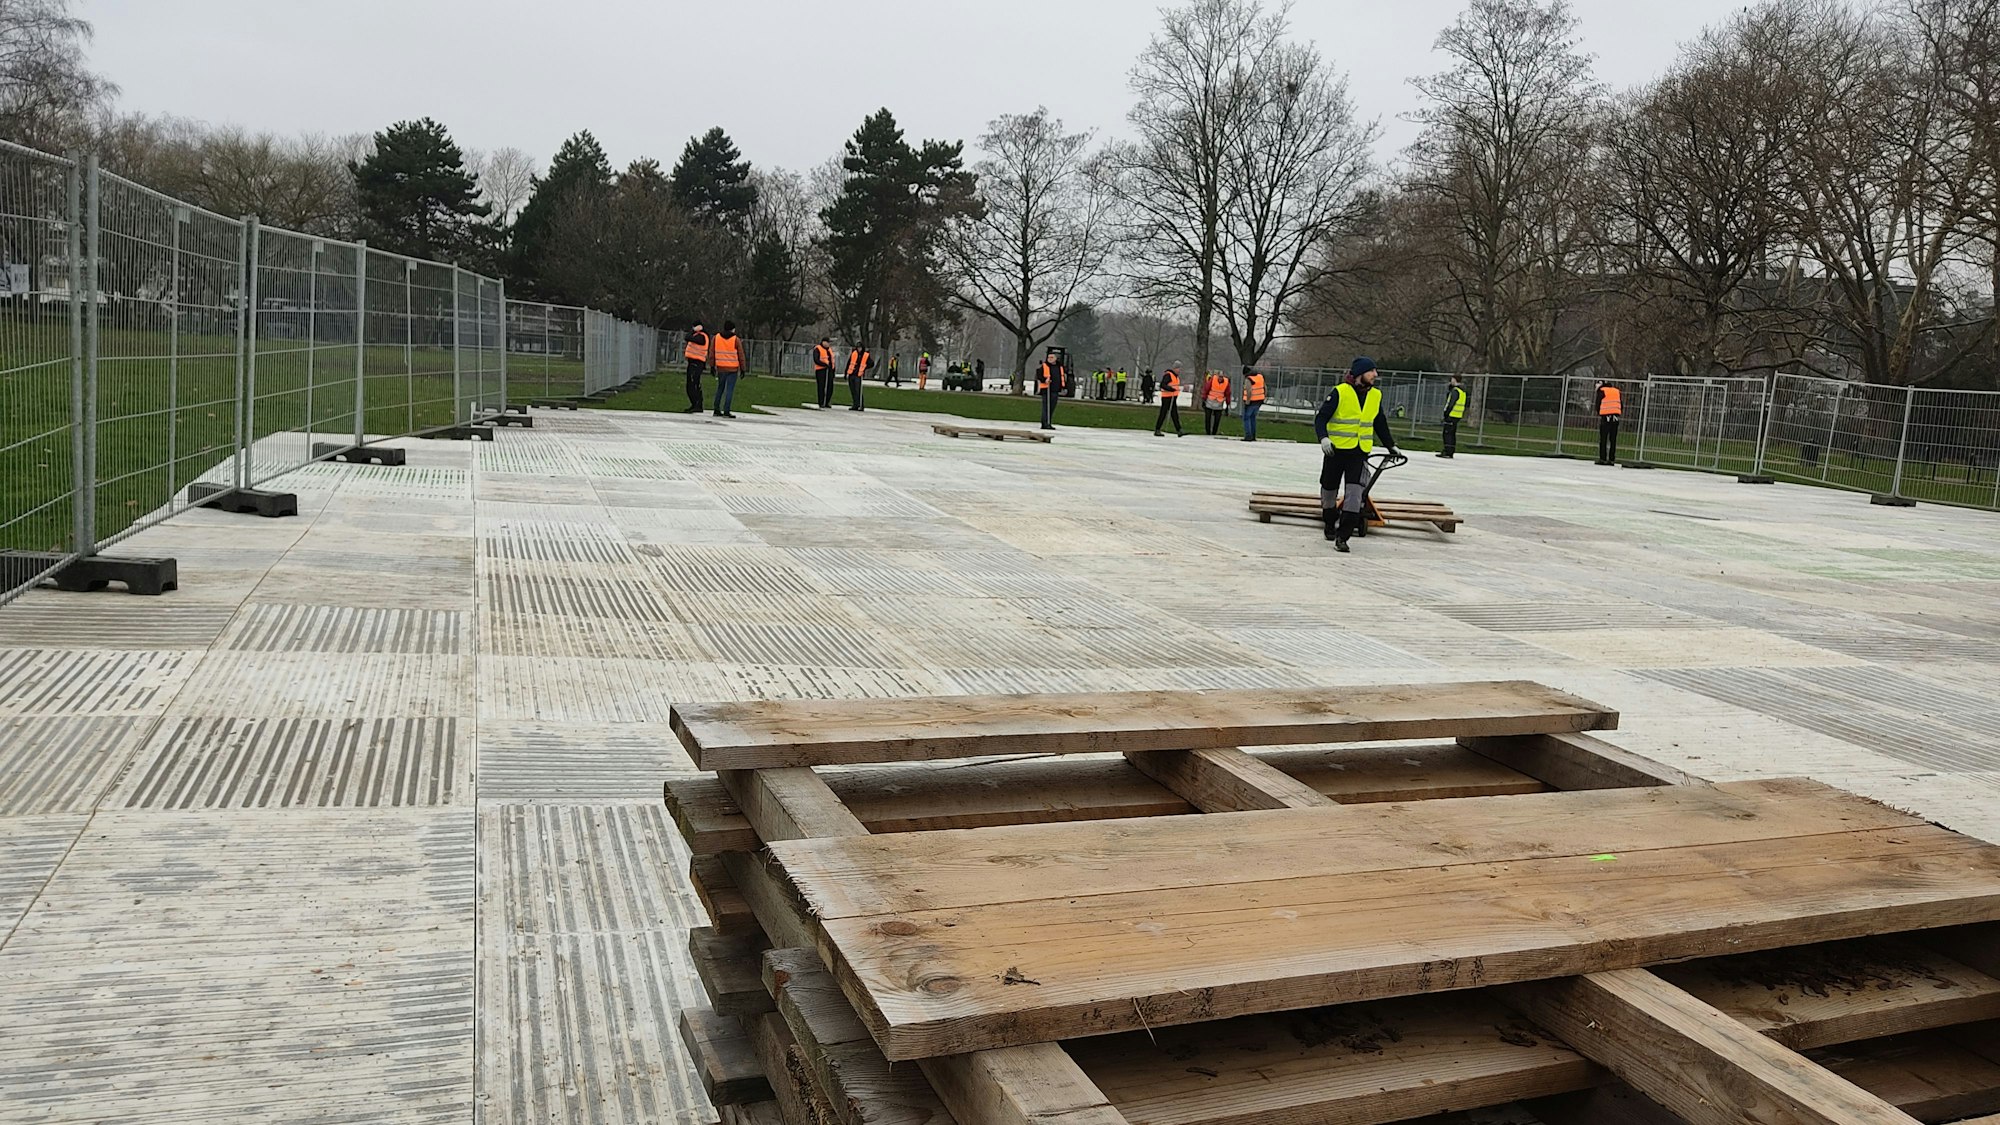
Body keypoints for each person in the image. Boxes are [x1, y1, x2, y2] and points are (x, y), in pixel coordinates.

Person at [1313, 357, 1401, 553]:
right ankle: (1329, 522)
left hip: (1359, 453)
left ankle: (1343, 537)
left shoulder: (1376, 395)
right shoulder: (1340, 392)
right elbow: (1321, 418)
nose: (1375, 375)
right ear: (1360, 373)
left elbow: (1379, 422)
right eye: (1371, 371)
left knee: (1355, 494)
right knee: (1329, 490)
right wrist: (1323, 438)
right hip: (1335, 451)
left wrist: (1391, 446)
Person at [709, 321, 743, 418]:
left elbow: (712, 353)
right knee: (729, 390)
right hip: (733, 369)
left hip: (721, 368)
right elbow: (741, 355)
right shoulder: (735, 339)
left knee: (720, 388)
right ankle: (726, 410)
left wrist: (712, 366)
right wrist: (743, 368)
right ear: (732, 329)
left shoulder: (716, 338)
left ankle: (716, 409)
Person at [1037, 347, 1067, 429]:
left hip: (1055, 390)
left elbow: (1061, 377)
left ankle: (1049, 422)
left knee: (1052, 407)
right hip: (1047, 389)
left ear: (1055, 358)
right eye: (1049, 357)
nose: (1050, 359)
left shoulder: (1059, 367)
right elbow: (1039, 375)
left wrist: (1063, 387)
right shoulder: (1044, 366)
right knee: (1046, 407)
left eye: (1052, 357)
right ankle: (1045, 423)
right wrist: (1044, 380)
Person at [1439, 374, 1468, 458]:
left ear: (1454, 380)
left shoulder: (1455, 391)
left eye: (1452, 379)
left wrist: (1446, 413)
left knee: (1447, 434)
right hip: (1458, 415)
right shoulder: (1462, 391)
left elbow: (1451, 403)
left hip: (1451, 415)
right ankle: (1451, 451)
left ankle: (1447, 451)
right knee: (1452, 434)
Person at [683, 323, 709, 414]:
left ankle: (698, 404)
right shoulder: (695, 335)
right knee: (689, 385)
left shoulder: (702, 336)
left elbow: (689, 338)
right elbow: (687, 337)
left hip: (697, 363)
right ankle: (694, 404)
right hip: (692, 362)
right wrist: (693, 331)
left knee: (694, 384)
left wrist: (694, 331)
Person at [1596, 380, 1623, 464]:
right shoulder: (1616, 391)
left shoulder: (1602, 391)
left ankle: (1602, 458)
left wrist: (1599, 413)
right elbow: (1621, 404)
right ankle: (1611, 459)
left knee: (1603, 439)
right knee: (1613, 439)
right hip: (1615, 417)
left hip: (1605, 417)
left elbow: (1598, 404)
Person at [1153, 367, 1185, 436]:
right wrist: (1170, 389)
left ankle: (1179, 429)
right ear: (1175, 369)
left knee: (1174, 414)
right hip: (1167, 397)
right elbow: (1162, 385)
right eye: (1178, 369)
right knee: (1163, 413)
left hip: (1173, 397)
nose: (1179, 370)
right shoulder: (1168, 375)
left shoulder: (1176, 377)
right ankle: (1157, 429)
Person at [1239, 366, 1266, 442]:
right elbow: (1265, 387)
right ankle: (1253, 436)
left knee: (1246, 418)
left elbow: (1249, 391)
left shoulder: (1249, 379)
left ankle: (1248, 435)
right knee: (1253, 418)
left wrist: (1247, 402)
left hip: (1251, 401)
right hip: (1259, 400)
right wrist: (1263, 397)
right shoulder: (1260, 376)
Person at [1201, 370, 1231, 436]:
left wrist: (1227, 404)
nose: (1220, 378)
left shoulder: (1226, 383)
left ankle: (1214, 432)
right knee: (1207, 418)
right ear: (1217, 376)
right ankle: (1208, 432)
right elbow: (1206, 389)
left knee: (1217, 420)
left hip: (1219, 402)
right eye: (1219, 377)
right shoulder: (1212, 380)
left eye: (1221, 377)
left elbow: (1228, 393)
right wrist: (1204, 399)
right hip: (1210, 401)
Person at [812, 338, 836, 409]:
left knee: (830, 387)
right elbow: (816, 360)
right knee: (821, 387)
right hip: (821, 370)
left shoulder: (829, 349)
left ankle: (827, 402)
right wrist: (825, 365)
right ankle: (821, 402)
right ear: (823, 342)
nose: (829, 344)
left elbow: (832, 360)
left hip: (829, 371)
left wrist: (833, 369)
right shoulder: (817, 349)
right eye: (828, 342)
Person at [846, 344, 871, 410]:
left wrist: (864, 367)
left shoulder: (865, 355)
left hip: (858, 375)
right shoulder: (853, 354)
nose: (859, 349)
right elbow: (849, 363)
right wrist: (846, 372)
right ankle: (855, 404)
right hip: (852, 374)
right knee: (853, 390)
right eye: (858, 347)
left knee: (858, 390)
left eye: (860, 348)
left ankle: (861, 405)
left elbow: (871, 363)